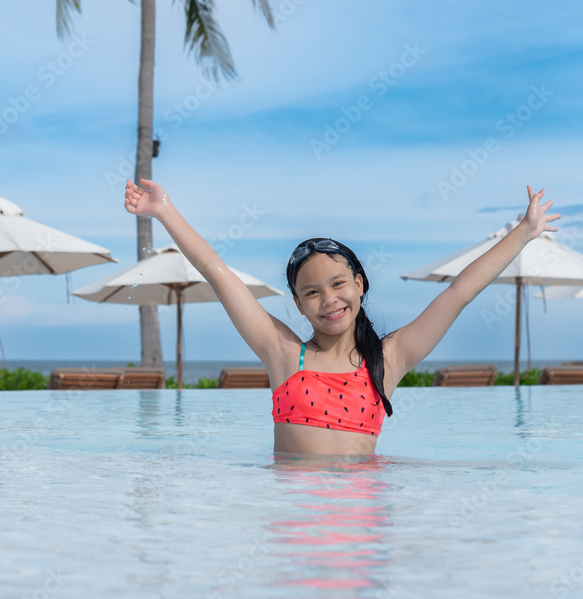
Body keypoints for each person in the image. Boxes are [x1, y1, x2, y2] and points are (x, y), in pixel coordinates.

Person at [124, 179, 559, 455]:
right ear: (298, 304)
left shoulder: (388, 359)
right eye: (311, 292)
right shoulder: (282, 353)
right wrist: (164, 211)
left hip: (361, 514)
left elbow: (459, 293)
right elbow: (216, 270)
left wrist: (522, 232)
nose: (328, 300)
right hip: (295, 512)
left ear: (360, 285)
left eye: (338, 284)